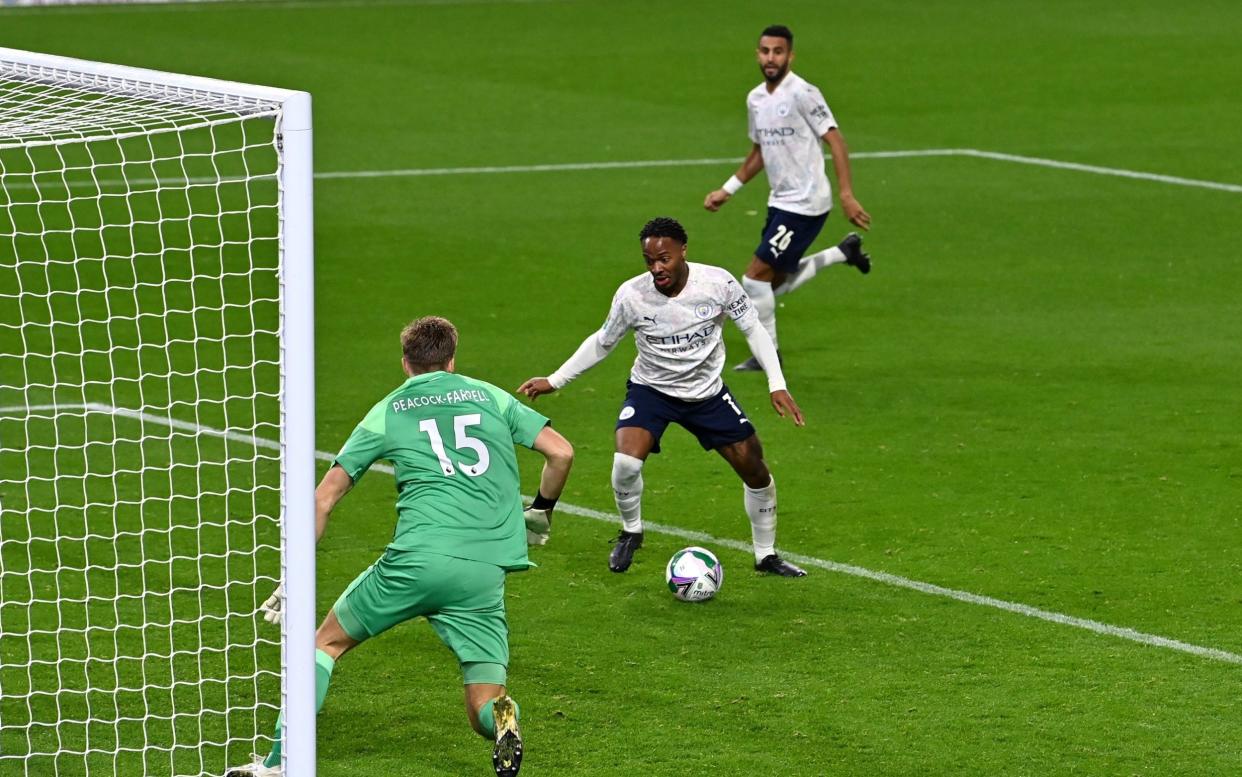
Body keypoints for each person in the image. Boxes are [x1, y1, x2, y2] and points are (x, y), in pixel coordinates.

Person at [226, 316, 574, 777]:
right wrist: (541, 510)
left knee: (325, 643)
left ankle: (276, 765)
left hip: (416, 561)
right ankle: (505, 720)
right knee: (483, 705)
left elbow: (324, 498)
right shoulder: (491, 396)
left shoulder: (388, 410)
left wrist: (295, 574)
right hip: (483, 574)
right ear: (452, 358)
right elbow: (561, 452)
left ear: (405, 362)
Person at [518, 217, 808, 578]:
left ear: (683, 251)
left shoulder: (717, 283)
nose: (657, 268)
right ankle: (631, 532)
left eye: (664, 259)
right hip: (651, 390)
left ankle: (766, 555)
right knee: (625, 463)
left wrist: (776, 383)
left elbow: (753, 328)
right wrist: (556, 379)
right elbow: (602, 341)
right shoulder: (632, 295)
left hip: (707, 394)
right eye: (649, 260)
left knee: (755, 469)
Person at [704, 23, 873, 371]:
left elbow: (836, 140)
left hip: (807, 203)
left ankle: (769, 357)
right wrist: (728, 189)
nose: (771, 58)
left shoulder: (804, 93)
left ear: (790, 55)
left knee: (753, 279)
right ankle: (843, 253)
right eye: (765, 51)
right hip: (780, 201)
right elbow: (759, 152)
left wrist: (846, 194)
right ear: (757, 54)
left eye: (778, 51)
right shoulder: (755, 99)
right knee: (770, 285)